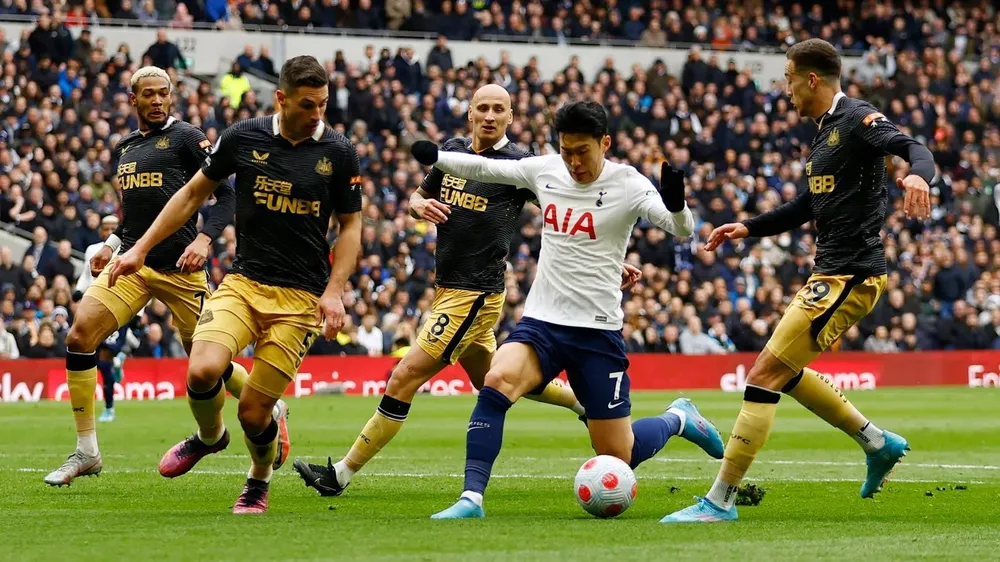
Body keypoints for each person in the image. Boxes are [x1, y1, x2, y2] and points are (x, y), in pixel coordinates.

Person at [294, 84, 635, 498]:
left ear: (511, 117)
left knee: (404, 376)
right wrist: (417, 205)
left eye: (499, 110)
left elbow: (574, 208)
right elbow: (420, 196)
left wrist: (607, 261)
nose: (490, 116)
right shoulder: (453, 151)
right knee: (491, 378)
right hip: (447, 289)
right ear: (470, 114)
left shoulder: (521, 165)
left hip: (476, 294)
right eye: (483, 109)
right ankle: (582, 405)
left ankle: (341, 474)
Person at [406, 100, 726, 520]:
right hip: (543, 323)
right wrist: (437, 158)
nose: (573, 162)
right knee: (497, 379)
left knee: (618, 453)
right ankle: (471, 499)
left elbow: (680, 229)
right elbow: (487, 169)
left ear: (605, 143)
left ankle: (677, 418)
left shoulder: (629, 183)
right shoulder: (545, 170)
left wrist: (678, 203)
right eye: (566, 150)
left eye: (582, 152)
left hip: (596, 333)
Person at [661, 38, 934, 524]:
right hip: (830, 270)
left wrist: (918, 176)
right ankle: (878, 443)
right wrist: (749, 226)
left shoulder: (857, 119)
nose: (784, 88)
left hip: (852, 273)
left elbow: (910, 146)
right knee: (782, 372)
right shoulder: (824, 133)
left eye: (788, 78)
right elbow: (809, 205)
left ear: (811, 79)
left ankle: (720, 501)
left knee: (763, 375)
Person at [109, 55, 364, 514]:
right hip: (243, 283)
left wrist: (334, 289)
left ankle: (258, 479)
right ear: (281, 98)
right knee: (202, 370)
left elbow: (350, 227)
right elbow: (190, 195)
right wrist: (139, 248)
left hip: (301, 297)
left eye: (323, 105)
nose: (317, 116)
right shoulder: (243, 136)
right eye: (308, 105)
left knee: (253, 412)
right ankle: (209, 437)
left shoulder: (339, 151)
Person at [44, 66, 245, 488]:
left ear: (171, 97)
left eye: (163, 94)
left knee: (209, 367)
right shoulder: (125, 147)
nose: (156, 101)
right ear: (132, 99)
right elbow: (133, 218)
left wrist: (205, 241)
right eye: (148, 94)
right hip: (133, 266)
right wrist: (111, 245)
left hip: (181, 270)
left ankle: (269, 408)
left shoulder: (189, 138)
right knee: (80, 336)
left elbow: (226, 195)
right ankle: (87, 452)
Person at [74, 214, 140, 423]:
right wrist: (77, 291)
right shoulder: (93, 250)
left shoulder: (130, 250)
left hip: (121, 308)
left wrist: (139, 314)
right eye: (106, 228)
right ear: (101, 230)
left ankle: (109, 407)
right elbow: (87, 274)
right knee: (97, 361)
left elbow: (141, 281)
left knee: (104, 356)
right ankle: (118, 361)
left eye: (114, 227)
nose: (109, 230)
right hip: (96, 308)